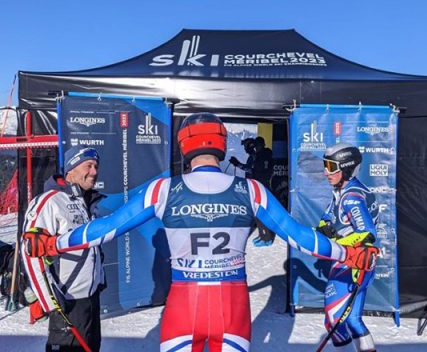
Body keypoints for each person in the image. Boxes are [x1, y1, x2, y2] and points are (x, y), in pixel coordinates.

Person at [23, 113, 379, 352]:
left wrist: (52, 243)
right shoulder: (251, 189)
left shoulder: (163, 189)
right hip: (233, 305)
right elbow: (300, 237)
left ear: (185, 145)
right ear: (221, 144)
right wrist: (349, 253)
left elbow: (103, 230)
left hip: (183, 305)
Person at [21, 146, 105, 352]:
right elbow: (30, 252)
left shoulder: (87, 201)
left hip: (90, 298)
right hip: (66, 302)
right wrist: (50, 303)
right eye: (88, 166)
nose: (94, 172)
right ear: (71, 170)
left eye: (96, 166)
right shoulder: (50, 201)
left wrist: (99, 280)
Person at [317, 143, 379, 352]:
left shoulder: (351, 197)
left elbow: (367, 233)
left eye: (331, 166)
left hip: (352, 264)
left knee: (333, 319)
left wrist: (337, 244)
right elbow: (327, 219)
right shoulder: (342, 190)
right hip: (359, 264)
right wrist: (327, 229)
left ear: (345, 168)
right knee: (352, 319)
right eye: (325, 165)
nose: (326, 171)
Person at [230, 136, 275, 246]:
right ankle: (263, 235)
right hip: (258, 185)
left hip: (261, 186)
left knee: (260, 212)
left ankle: (266, 237)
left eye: (255, 145)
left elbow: (254, 169)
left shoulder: (263, 155)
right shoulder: (261, 155)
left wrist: (238, 164)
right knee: (257, 212)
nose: (254, 148)